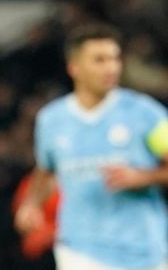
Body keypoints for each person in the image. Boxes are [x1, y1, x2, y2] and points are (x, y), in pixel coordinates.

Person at [14, 23, 168, 270]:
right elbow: (45, 171)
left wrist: (144, 176)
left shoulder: (146, 114)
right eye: (100, 60)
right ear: (74, 67)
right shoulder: (51, 120)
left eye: (115, 59)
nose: (111, 67)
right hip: (80, 249)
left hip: (144, 250)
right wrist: (31, 205)